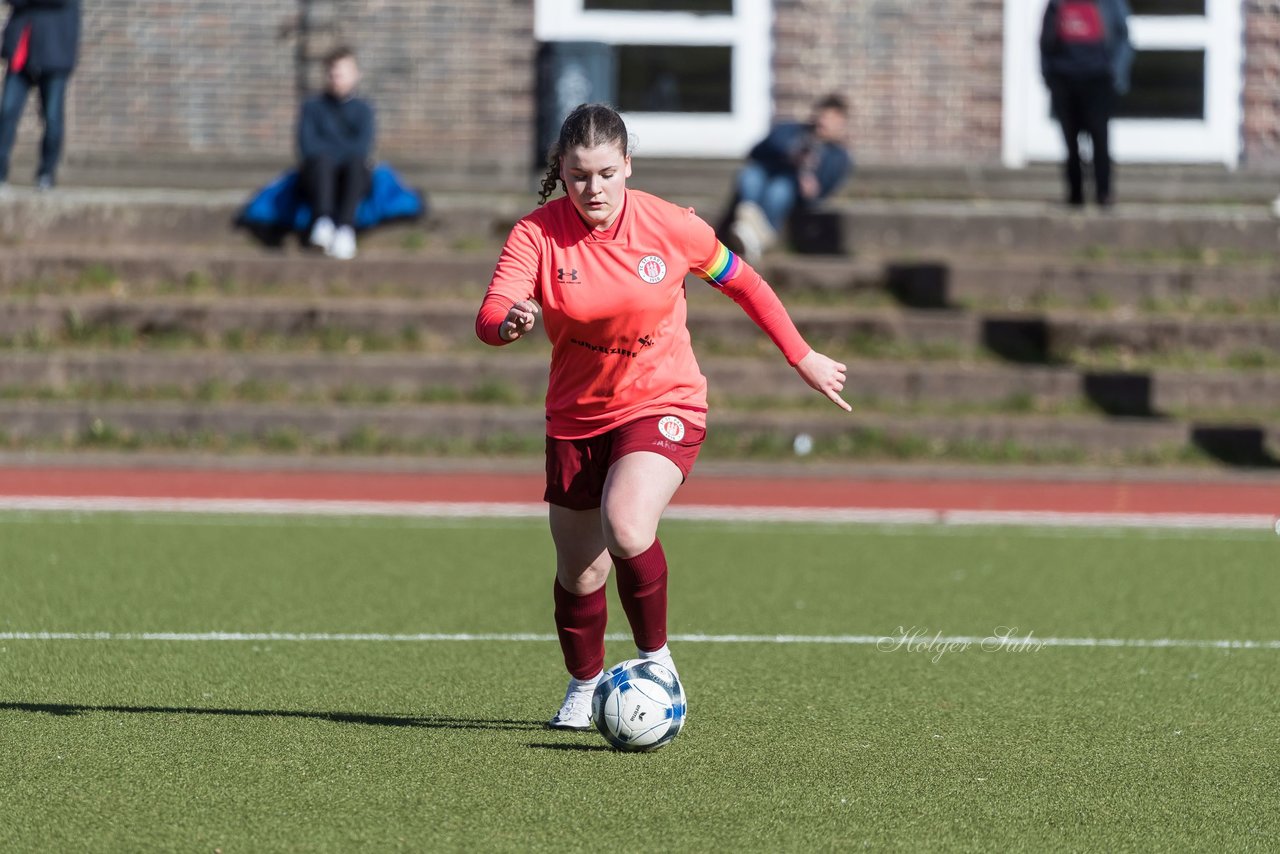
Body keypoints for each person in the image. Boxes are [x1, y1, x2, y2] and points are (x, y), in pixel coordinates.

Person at [475, 103, 851, 730]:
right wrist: (508, 323)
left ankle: (658, 660)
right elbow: (490, 314)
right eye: (577, 176)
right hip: (575, 417)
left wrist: (801, 355)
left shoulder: (671, 226)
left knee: (626, 526)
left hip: (663, 400)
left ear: (627, 165)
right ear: (561, 173)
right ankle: (583, 684)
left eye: (604, 173)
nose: (592, 189)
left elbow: (745, 283)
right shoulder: (536, 234)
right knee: (579, 571)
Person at [725, 94, 852, 264]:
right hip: (766, 173)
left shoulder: (838, 156)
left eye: (832, 119)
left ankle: (751, 232)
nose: (825, 122)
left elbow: (821, 190)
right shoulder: (792, 131)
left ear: (841, 123)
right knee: (751, 175)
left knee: (780, 188)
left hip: (788, 189)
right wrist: (790, 153)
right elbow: (759, 150)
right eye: (823, 116)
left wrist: (810, 181)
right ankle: (751, 229)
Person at [1040, 0, 1133, 207]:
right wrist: (1049, 76)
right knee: (1070, 140)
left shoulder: (1110, 4)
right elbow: (1044, 42)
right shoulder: (1057, 4)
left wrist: (1115, 74)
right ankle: (1075, 194)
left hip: (1098, 79)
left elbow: (1123, 37)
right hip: (1064, 79)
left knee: (1099, 136)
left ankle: (1104, 193)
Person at [297, 45, 376, 260]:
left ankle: (345, 229)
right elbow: (307, 147)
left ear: (356, 75)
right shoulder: (312, 107)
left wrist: (332, 150)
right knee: (322, 162)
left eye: (342, 73)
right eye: (333, 73)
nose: (337, 78)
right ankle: (323, 223)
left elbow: (362, 147)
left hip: (351, 174)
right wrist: (337, 152)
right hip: (318, 175)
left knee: (356, 163)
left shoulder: (364, 110)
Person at [0, 0, 80, 191]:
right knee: (7, 113)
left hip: (55, 53)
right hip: (22, 50)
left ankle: (46, 173)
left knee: (52, 118)